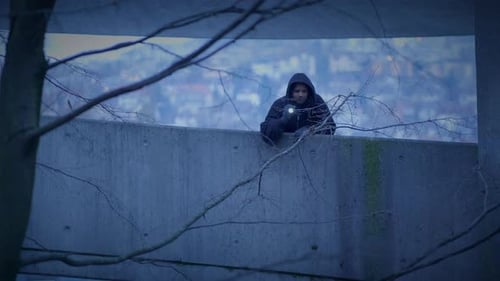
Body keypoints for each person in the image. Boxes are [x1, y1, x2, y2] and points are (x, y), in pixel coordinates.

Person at [260, 73, 336, 145]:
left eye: (304, 91)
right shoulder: (281, 104)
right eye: (297, 91)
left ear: (308, 92)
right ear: (291, 92)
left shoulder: (316, 103)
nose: (300, 95)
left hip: (311, 151)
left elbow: (330, 126)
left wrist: (311, 130)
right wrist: (282, 120)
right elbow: (266, 132)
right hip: (284, 150)